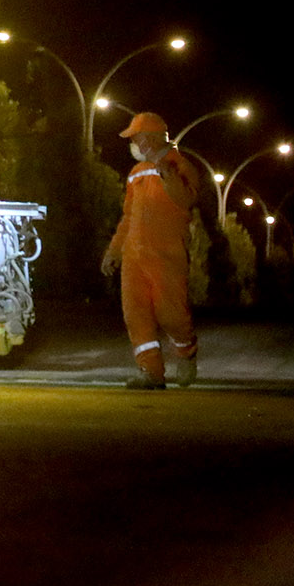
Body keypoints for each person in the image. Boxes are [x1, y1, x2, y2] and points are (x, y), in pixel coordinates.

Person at [100, 111, 200, 389]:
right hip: (134, 256)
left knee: (172, 314)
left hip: (167, 255)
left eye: (135, 137)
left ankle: (186, 351)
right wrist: (115, 250)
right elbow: (129, 216)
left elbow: (185, 201)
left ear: (152, 139)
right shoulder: (136, 174)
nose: (132, 143)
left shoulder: (181, 166)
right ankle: (151, 372)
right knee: (136, 314)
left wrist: (167, 173)